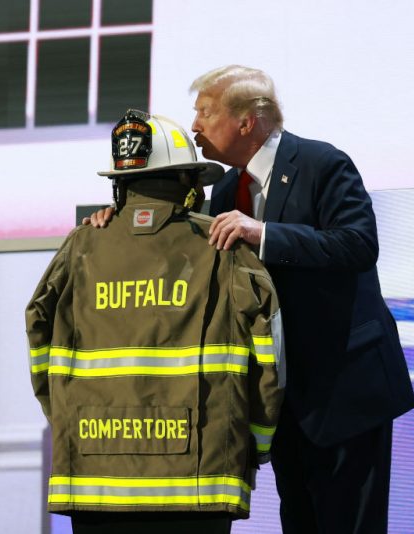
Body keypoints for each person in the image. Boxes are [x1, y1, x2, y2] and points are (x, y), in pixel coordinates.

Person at [89, 66, 414, 533]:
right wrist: (113, 222)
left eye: (205, 112)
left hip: (344, 390)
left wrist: (264, 233)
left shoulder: (323, 163)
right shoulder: (223, 191)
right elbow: (177, 251)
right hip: (280, 397)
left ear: (247, 121)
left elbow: (359, 245)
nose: (195, 127)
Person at [27, 110, 285, 534]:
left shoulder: (80, 247)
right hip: (199, 483)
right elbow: (269, 357)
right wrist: (255, 442)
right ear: (187, 183)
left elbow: (38, 332)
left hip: (95, 479)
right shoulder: (226, 248)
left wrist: (68, 419)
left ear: (120, 185)